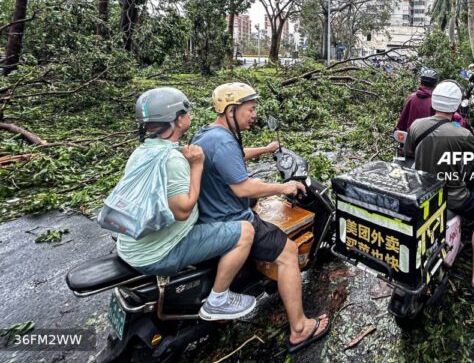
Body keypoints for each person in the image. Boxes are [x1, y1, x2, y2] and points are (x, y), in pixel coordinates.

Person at [192, 83, 330, 352]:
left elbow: (235, 156)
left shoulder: (209, 134)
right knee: (288, 252)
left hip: (210, 215)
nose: (254, 115)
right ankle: (300, 329)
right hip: (231, 217)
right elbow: (242, 188)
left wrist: (266, 150)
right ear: (231, 110)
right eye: (250, 109)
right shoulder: (222, 141)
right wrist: (282, 187)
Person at [117, 88, 258, 321]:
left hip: (130, 245)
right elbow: (183, 210)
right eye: (187, 110)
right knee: (245, 231)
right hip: (157, 253)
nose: (190, 114)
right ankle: (218, 300)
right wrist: (197, 166)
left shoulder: (142, 151)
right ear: (179, 118)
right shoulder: (173, 159)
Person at [404, 81, 474, 296]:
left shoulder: (416, 126)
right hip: (454, 196)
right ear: (457, 105)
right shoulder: (463, 134)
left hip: (423, 194)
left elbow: (408, 154)